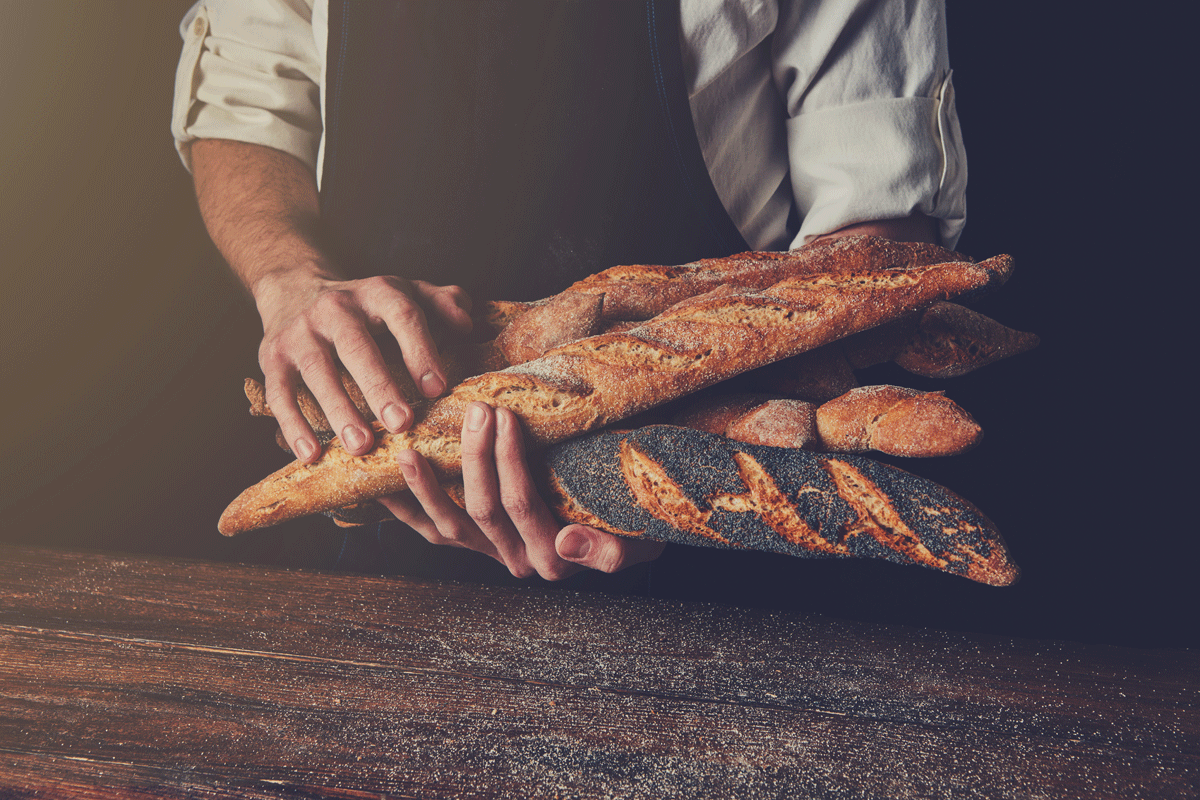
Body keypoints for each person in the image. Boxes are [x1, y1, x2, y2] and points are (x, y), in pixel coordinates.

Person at [172, 0, 966, 584]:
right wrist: (288, 278)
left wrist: (675, 484)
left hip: (726, 545)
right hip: (372, 523)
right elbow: (244, 102)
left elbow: (876, 249)